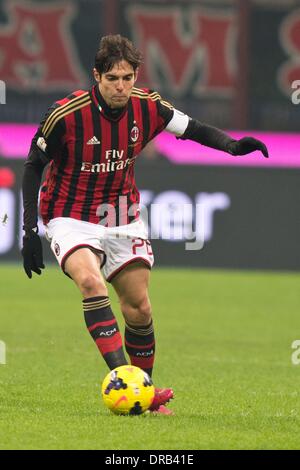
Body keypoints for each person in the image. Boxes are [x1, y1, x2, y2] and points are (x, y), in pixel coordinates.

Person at [21, 34, 268, 415]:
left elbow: (194, 128)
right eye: (112, 79)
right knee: (90, 282)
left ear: (136, 75)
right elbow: (33, 166)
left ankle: (144, 396)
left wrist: (233, 146)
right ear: (96, 77)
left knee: (139, 309)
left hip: (122, 215)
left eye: (127, 77)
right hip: (69, 214)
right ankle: (133, 386)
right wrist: (29, 230)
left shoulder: (148, 106)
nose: (121, 87)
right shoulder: (67, 115)